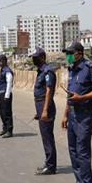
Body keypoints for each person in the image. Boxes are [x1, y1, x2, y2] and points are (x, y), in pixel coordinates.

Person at [62, 41, 92, 183]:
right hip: (72, 114)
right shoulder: (72, 70)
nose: (68, 56)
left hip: (84, 114)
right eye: (67, 54)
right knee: (73, 150)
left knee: (82, 151)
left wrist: (83, 98)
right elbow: (69, 94)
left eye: (70, 53)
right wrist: (65, 114)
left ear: (79, 53)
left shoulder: (89, 68)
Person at [30, 47, 57, 175]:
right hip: (41, 105)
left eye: (36, 58)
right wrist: (39, 111)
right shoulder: (40, 71)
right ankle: (48, 163)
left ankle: (51, 166)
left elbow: (49, 91)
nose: (34, 60)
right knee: (45, 137)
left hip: (46, 105)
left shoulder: (48, 71)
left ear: (43, 57)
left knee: (47, 137)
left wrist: (45, 110)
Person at [0, 54, 14, 138]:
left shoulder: (7, 71)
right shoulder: (2, 70)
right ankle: (5, 128)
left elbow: (9, 83)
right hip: (0, 93)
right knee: (2, 112)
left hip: (5, 94)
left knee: (7, 113)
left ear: (4, 61)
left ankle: (9, 130)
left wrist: (7, 95)